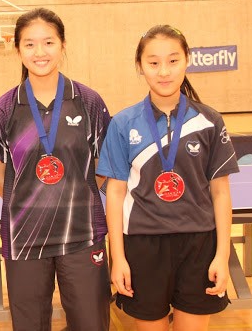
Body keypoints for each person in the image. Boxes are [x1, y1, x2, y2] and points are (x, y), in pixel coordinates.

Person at [97, 25, 239, 331]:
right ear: (140, 66)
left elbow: (221, 193)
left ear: (187, 60)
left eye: (173, 60)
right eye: (153, 62)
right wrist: (118, 258)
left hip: (199, 244)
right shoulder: (123, 123)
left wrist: (222, 255)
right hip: (142, 247)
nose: (164, 71)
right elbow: (116, 194)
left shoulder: (209, 120)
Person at [0, 8, 112, 331]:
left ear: (63, 45)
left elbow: (102, 166)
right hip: (24, 239)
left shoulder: (88, 102)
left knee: (91, 325)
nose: (39, 52)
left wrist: (73, 194)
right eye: (29, 44)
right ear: (18, 49)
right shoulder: (3, 109)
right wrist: (30, 203)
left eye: (48, 42)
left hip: (82, 235)